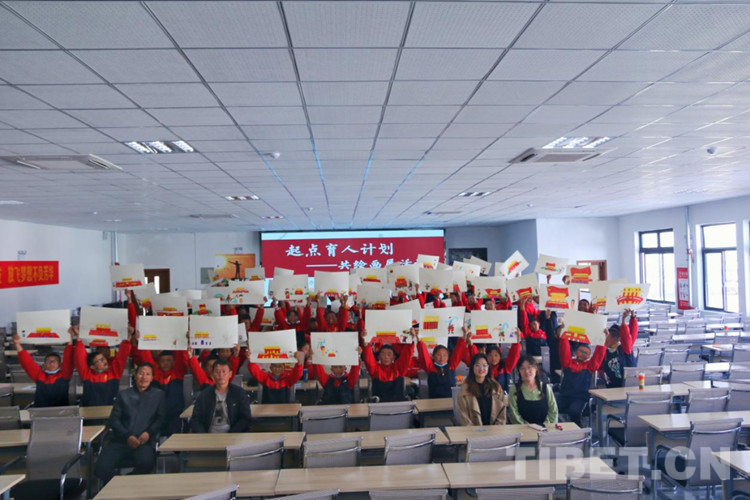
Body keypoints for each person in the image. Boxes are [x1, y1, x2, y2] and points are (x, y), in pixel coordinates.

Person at [95, 362, 165, 485]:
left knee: (147, 463)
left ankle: (125, 484)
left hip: (144, 441)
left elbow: (161, 419)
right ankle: (115, 485)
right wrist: (127, 436)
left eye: (148, 374)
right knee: (101, 468)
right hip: (121, 440)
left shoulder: (158, 395)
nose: (144, 377)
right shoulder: (123, 395)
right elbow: (114, 420)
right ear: (135, 376)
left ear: (152, 378)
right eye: (141, 373)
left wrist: (148, 433)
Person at [132, 337, 188, 435]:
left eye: (169, 360)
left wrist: (183, 338)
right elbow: (146, 356)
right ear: (158, 363)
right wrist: (141, 340)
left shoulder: (178, 373)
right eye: (163, 361)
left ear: (174, 362)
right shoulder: (155, 375)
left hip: (175, 416)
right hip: (157, 416)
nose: (166, 363)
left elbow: (180, 355)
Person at [557, 330, 606, 426]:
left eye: (586, 353)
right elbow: (564, 350)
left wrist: (603, 339)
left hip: (581, 397)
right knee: (552, 407)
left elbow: (598, 355)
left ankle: (578, 429)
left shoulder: (590, 366)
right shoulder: (567, 363)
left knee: (574, 410)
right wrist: (564, 336)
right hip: (565, 395)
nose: (583, 354)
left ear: (589, 356)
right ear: (575, 352)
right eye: (581, 351)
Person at [14, 330, 74, 407]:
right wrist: (17, 344)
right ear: (44, 364)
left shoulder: (64, 375)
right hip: (40, 411)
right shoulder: (40, 375)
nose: (51, 363)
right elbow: (27, 363)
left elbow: (68, 358)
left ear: (60, 364)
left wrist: (70, 338)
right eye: (48, 361)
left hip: (61, 411)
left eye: (55, 361)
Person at [189, 359, 251, 433]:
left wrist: (232, 434)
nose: (221, 375)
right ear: (212, 374)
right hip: (208, 435)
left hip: (233, 435)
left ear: (230, 374)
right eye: (217, 372)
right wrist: (204, 435)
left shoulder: (239, 393)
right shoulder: (204, 395)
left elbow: (245, 418)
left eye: (224, 371)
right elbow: (195, 420)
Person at [74, 328, 132, 406]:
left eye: (103, 358)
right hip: (89, 411)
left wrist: (127, 340)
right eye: (100, 360)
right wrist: (78, 339)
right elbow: (80, 359)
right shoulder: (87, 375)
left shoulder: (113, 373)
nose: (105, 361)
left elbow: (121, 358)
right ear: (92, 367)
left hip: (110, 411)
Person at [361, 329, 416, 402]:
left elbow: (407, 355)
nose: (386, 357)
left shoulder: (399, 369)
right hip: (379, 407)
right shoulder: (375, 370)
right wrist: (365, 343)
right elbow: (368, 359)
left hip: (398, 406)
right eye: (383, 354)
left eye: (389, 354)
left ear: (393, 357)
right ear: (379, 357)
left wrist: (411, 339)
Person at [456, 353, 507, 426]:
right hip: (472, 431)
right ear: (472, 368)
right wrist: (476, 431)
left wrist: (496, 430)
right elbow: (464, 417)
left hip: (495, 430)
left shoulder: (496, 387)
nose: (481, 368)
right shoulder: (465, 389)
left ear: (488, 367)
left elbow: (502, 414)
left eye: (484, 365)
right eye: (477, 365)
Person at [416, 330, 468, 398]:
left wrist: (463, 336)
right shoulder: (430, 368)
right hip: (434, 401)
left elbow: (458, 351)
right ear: (433, 356)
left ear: (448, 357)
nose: (442, 358)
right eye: (438, 355)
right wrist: (419, 340)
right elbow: (423, 353)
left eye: (445, 355)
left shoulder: (451, 367)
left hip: (450, 400)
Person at [508, 355, 558, 425]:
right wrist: (527, 427)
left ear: (536, 368)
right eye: (522, 368)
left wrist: (545, 426)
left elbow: (553, 411)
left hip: (546, 428)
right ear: (518, 371)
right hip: (523, 429)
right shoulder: (514, 389)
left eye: (529, 367)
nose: (526, 371)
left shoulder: (546, 388)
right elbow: (514, 415)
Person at [602, 309, 638, 388]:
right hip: (612, 386)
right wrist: (602, 374)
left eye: (607, 336)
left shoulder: (625, 349)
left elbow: (629, 335)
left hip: (628, 385)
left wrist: (625, 320)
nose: (605, 339)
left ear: (615, 339)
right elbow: (600, 366)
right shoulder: (605, 351)